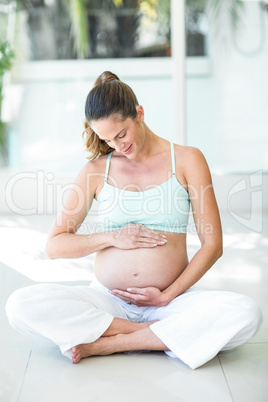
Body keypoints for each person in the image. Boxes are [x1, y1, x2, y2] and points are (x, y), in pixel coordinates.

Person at [5, 71, 262, 369]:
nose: (117, 146)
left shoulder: (188, 159)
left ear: (139, 113)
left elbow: (213, 245)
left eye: (121, 134)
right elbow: (55, 245)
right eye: (107, 139)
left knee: (246, 313)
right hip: (108, 301)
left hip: (170, 303)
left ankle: (113, 343)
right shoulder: (96, 170)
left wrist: (167, 296)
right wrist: (112, 237)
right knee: (19, 306)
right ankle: (155, 336)